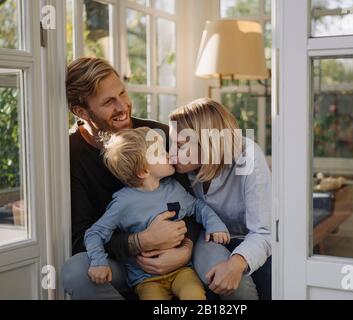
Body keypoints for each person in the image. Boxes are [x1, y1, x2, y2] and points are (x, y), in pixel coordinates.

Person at [62, 57, 201, 300]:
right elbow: (81, 239)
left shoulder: (156, 135)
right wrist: (139, 242)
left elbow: (193, 203)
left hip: (178, 255)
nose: (123, 106)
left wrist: (185, 248)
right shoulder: (70, 155)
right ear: (81, 111)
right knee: (75, 272)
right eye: (108, 102)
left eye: (122, 93)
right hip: (124, 263)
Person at [84, 127, 230, 300]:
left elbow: (198, 207)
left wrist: (215, 225)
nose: (169, 155)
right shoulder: (122, 203)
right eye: (161, 153)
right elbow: (95, 233)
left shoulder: (174, 189)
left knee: (194, 295)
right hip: (146, 280)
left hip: (182, 271)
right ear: (144, 171)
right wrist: (99, 262)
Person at [169, 98, 273, 300]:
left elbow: (263, 231)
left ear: (209, 144)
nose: (170, 153)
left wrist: (236, 264)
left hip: (251, 237)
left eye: (180, 146)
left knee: (243, 280)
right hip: (210, 236)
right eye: (171, 143)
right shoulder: (179, 168)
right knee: (229, 286)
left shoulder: (249, 157)